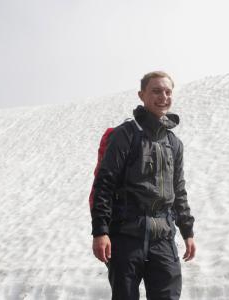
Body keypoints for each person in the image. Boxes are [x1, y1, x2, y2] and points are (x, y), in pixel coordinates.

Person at [91, 71, 196, 300]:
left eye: (168, 92)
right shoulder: (126, 134)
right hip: (126, 236)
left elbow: (179, 190)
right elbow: (104, 183)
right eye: (156, 91)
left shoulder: (174, 143)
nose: (163, 97)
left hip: (163, 239)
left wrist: (187, 230)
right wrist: (100, 231)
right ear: (142, 95)